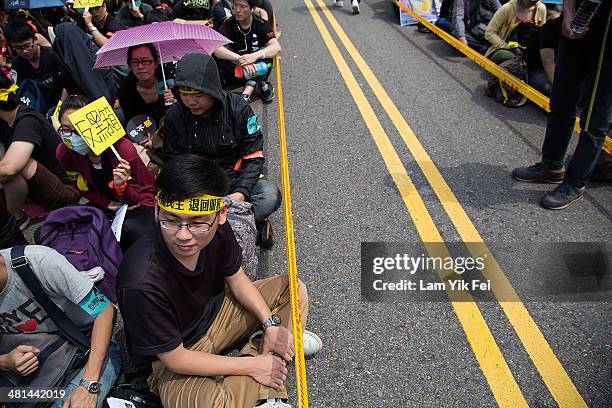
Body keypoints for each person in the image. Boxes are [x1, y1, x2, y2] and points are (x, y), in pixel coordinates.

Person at [117, 154, 321, 408]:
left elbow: (236, 278)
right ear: (157, 209)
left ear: (222, 214)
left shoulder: (218, 227)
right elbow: (175, 359)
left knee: (293, 287)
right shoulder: (140, 279)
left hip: (216, 316)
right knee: (210, 403)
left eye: (197, 223)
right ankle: (267, 364)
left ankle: (265, 348)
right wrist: (250, 366)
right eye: (170, 220)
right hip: (171, 360)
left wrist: (269, 322)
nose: (183, 235)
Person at [164, 53, 281, 248]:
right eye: (184, 94)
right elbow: (172, 160)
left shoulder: (239, 109)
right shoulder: (174, 115)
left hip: (234, 181)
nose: (190, 101)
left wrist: (240, 194)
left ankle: (248, 222)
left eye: (198, 95)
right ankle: (232, 225)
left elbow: (254, 157)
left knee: (269, 195)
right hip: (198, 186)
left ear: (213, 90)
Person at [512, 0, 612, 209]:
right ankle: (551, 166)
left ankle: (575, 183)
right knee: (561, 101)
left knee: (595, 118)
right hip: (579, 20)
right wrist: (567, 15)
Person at [0, 245, 121, 408]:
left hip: (90, 345)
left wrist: (88, 385)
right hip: (44, 363)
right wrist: (4, 361)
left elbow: (104, 310)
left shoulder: (40, 261)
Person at [56, 95, 157, 251]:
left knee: (133, 233)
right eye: (66, 130)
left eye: (79, 130)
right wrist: (105, 202)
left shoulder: (123, 149)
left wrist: (121, 185)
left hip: (136, 200)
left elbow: (136, 197)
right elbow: (79, 185)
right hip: (103, 202)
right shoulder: (65, 152)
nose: (72, 137)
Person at [0, 74, 79, 230]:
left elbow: (9, 168)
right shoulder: (3, 121)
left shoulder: (27, 120)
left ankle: (16, 217)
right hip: (38, 187)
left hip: (67, 190)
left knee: (14, 166)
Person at [214, 0, 281, 103]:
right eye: (235, 6)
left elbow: (276, 47)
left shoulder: (261, 24)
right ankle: (261, 84)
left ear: (252, 9)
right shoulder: (229, 24)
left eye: (242, 7)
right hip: (238, 69)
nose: (237, 10)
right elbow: (216, 48)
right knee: (221, 56)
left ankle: (246, 93)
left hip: (257, 67)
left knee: (266, 53)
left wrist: (254, 56)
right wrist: (240, 59)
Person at [3, 19, 65, 112]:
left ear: (35, 39)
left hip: (61, 104)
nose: (24, 51)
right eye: (18, 48)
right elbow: (20, 91)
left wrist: (59, 109)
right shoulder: (17, 65)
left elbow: (67, 85)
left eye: (27, 45)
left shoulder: (52, 55)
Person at [117, 44, 175, 126]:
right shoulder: (126, 91)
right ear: (130, 65)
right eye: (135, 62)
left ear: (156, 63)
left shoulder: (169, 79)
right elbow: (133, 125)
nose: (140, 66)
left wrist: (176, 102)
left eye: (145, 61)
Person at [485, 0, 546, 64]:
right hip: (503, 50)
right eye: (530, 1)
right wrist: (505, 46)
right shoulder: (507, 8)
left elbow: (541, 35)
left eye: (536, 1)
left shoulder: (541, 9)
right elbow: (489, 32)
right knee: (512, 59)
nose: (533, 3)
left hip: (527, 52)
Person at [525, 9, 562, 95]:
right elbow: (548, 62)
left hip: (558, 70)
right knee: (548, 87)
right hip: (538, 72)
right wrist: (561, 92)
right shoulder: (550, 29)